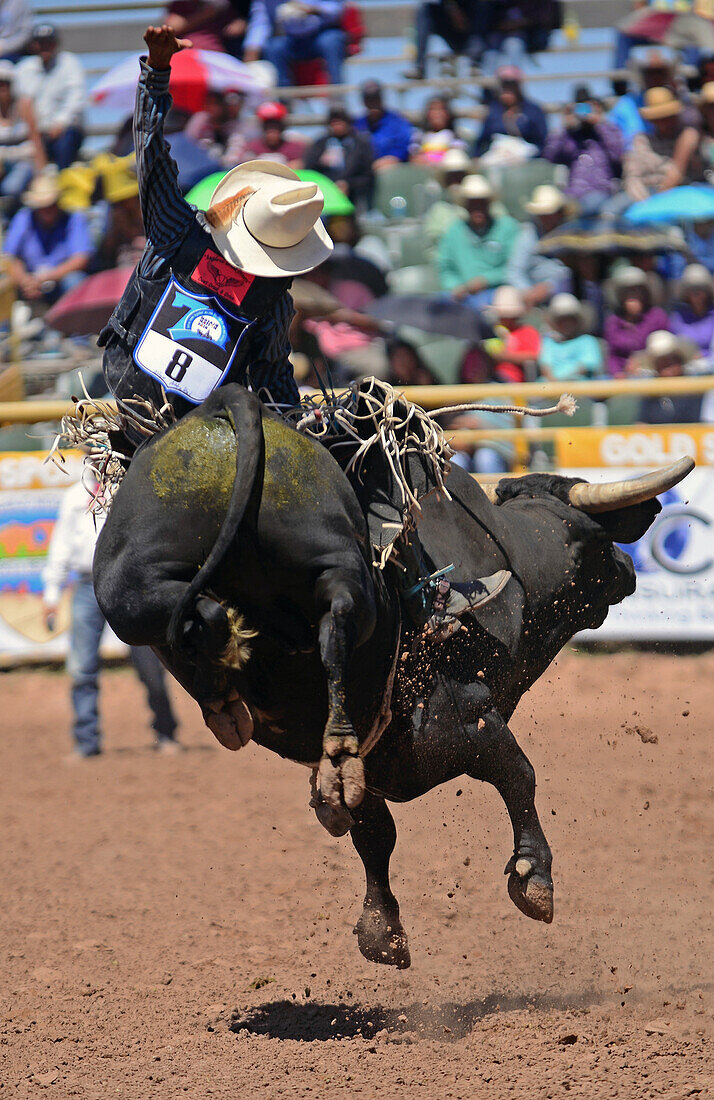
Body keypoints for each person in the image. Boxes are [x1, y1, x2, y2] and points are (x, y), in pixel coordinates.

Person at [101, 24, 334, 432]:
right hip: (207, 426)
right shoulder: (272, 300)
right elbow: (272, 374)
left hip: (130, 394)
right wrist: (298, 424)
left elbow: (151, 154)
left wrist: (156, 73)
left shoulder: (178, 230)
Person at [42, 475, 179, 758]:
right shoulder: (75, 496)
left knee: (151, 667)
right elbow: (61, 544)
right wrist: (51, 594)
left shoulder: (131, 489)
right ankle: (86, 741)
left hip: (129, 585)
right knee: (81, 667)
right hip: (87, 584)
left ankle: (165, 731)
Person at [3, 171, 91, 304]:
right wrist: (24, 281)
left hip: (60, 281)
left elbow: (81, 258)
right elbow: (10, 257)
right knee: (5, 281)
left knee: (75, 281)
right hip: (29, 283)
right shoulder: (24, 217)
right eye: (43, 207)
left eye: (51, 205)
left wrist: (49, 277)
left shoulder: (74, 219)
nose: (47, 210)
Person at [437, 173, 520, 308]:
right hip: (462, 294)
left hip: (496, 291)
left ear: (488, 204)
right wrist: (456, 286)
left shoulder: (507, 227)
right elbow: (445, 267)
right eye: (473, 204)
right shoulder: (454, 231)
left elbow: (513, 266)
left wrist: (486, 280)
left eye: (481, 203)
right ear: (466, 206)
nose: (478, 209)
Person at [544, 86, 626, 216]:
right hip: (573, 194)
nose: (583, 112)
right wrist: (564, 126)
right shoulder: (570, 137)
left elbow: (617, 155)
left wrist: (599, 123)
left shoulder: (608, 131)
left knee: (590, 204)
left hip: (601, 192)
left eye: (587, 107)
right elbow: (550, 157)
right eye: (579, 108)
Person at [14, 24, 84, 170]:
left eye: (49, 42)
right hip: (33, 133)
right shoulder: (24, 68)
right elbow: (22, 104)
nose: (45, 46)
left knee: (65, 144)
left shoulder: (69, 63)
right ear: (34, 45)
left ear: (56, 44)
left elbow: (76, 98)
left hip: (64, 130)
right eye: (40, 42)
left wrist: (60, 123)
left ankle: (62, 181)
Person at [624, 86, 704, 200]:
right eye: (658, 118)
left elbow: (676, 174)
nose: (664, 122)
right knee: (610, 210)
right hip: (645, 194)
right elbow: (632, 177)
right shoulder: (641, 140)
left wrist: (657, 201)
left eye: (668, 116)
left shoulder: (688, 136)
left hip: (679, 192)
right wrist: (643, 202)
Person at [243, 0, 346, 87]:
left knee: (331, 41)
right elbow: (261, 23)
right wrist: (251, 50)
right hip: (290, 40)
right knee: (274, 47)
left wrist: (314, 9)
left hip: (321, 34)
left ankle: (337, 96)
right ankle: (284, 101)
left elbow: (338, 9)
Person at [506, 184, 571, 308]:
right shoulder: (528, 235)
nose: (546, 218)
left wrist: (550, 287)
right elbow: (514, 270)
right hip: (530, 297)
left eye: (549, 213)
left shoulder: (569, 234)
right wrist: (528, 292)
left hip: (563, 294)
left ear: (559, 213)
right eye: (542, 214)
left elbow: (571, 271)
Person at [303, 100, 374, 210]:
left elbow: (367, 175)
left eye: (340, 121)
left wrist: (348, 184)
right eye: (334, 122)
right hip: (326, 196)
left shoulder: (360, 144)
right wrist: (322, 163)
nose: (337, 125)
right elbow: (309, 170)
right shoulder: (321, 144)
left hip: (354, 196)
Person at [603, 265, 671, 377]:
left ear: (645, 294)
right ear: (621, 296)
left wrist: (642, 362)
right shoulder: (613, 322)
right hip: (621, 377)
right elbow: (612, 355)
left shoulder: (657, 317)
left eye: (638, 291)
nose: (633, 296)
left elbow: (664, 348)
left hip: (652, 374)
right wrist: (617, 373)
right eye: (628, 292)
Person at [638, 328, 714, 423]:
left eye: (672, 362)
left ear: (680, 361)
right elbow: (642, 423)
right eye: (662, 364)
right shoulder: (650, 393)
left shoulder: (697, 388)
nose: (669, 369)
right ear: (656, 368)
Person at [473, 65, 547, 158]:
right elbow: (482, 141)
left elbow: (541, 141)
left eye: (511, 86)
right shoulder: (493, 112)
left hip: (527, 158)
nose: (507, 91)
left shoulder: (533, 111)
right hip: (497, 157)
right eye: (504, 86)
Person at [404, 0, 489, 81]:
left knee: (482, 6)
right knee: (425, 9)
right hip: (453, 29)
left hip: (476, 35)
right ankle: (419, 68)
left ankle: (475, 64)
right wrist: (452, 9)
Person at [0, 59, 45, 204]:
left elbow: (35, 138)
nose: (3, 87)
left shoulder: (24, 105)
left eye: (7, 83)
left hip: (23, 160)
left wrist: (41, 172)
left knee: (11, 188)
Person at [538, 293, 603, 381]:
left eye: (570, 319)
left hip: (578, 388)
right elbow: (545, 368)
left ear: (577, 320)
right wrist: (554, 384)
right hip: (550, 387)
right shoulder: (548, 342)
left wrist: (564, 383)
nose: (566, 323)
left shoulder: (588, 341)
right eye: (562, 320)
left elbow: (584, 368)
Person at [483, 284, 540, 383]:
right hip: (489, 380)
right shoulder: (491, 331)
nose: (505, 319)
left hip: (514, 383)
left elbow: (534, 356)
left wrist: (505, 357)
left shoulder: (527, 331)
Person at [354, 80, 414, 169]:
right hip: (365, 171)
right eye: (369, 99)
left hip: (394, 170)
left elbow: (405, 146)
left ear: (382, 99)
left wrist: (392, 158)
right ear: (363, 102)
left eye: (376, 98)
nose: (373, 103)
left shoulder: (398, 122)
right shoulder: (358, 124)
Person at [184, 89, 252, 166]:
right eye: (209, 103)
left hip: (223, 167)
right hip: (198, 164)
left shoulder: (234, 126)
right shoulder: (200, 119)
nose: (212, 108)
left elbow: (236, 149)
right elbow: (189, 140)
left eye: (216, 104)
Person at [670, 263, 714, 369]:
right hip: (686, 369)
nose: (696, 293)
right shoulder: (677, 318)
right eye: (692, 289)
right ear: (686, 293)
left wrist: (704, 357)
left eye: (700, 288)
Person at [242, 99, 306, 167]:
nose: (272, 133)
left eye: (276, 128)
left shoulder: (294, 148)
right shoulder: (252, 147)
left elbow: (298, 166)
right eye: (268, 128)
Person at [410, 94, 466, 163]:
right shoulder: (419, 136)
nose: (437, 114)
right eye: (433, 109)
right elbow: (414, 156)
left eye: (441, 109)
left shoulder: (455, 136)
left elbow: (457, 155)